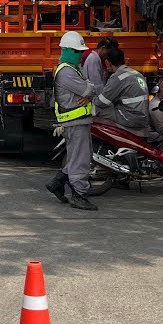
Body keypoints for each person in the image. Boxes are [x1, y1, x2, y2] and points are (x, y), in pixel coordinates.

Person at [46, 31, 98, 210]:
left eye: (80, 51)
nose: (80, 54)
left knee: (77, 157)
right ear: (67, 50)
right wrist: (88, 92)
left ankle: (57, 183)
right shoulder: (67, 72)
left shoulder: (72, 68)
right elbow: (89, 89)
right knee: (80, 160)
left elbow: (90, 88)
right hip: (75, 121)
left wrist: (88, 91)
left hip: (78, 121)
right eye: (77, 51)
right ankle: (79, 195)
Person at [94, 48, 152, 137]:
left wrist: (90, 99)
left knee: (97, 109)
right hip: (143, 118)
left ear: (107, 62)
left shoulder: (118, 77)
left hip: (131, 118)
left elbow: (101, 102)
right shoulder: (137, 73)